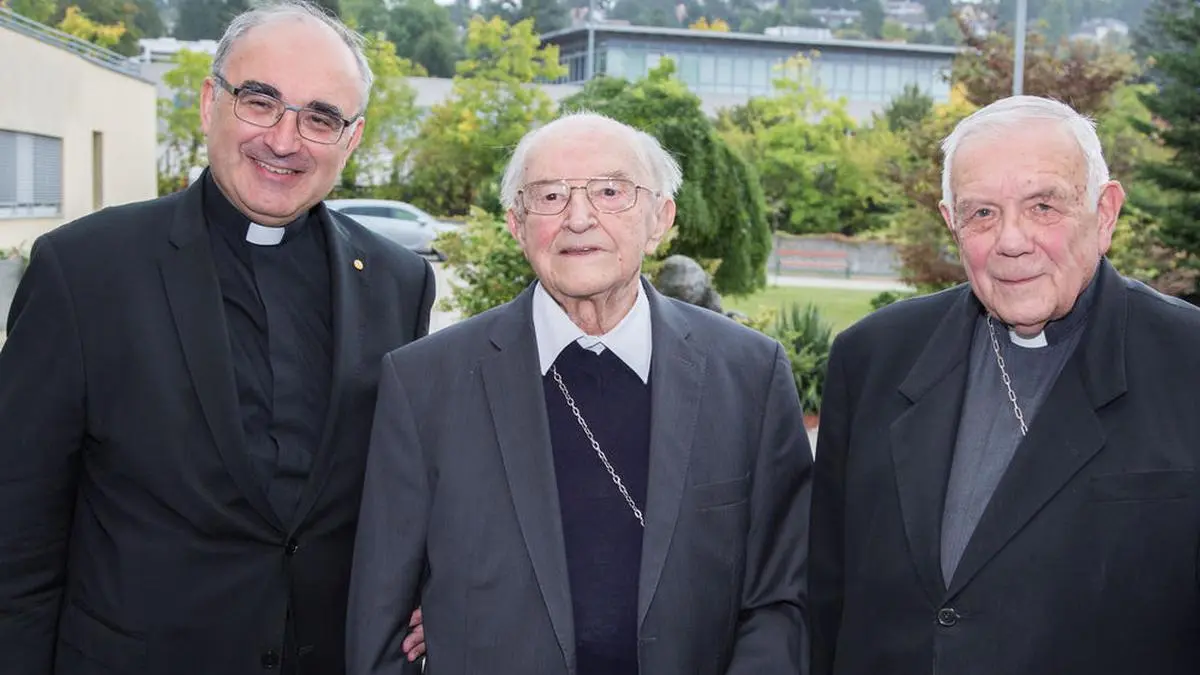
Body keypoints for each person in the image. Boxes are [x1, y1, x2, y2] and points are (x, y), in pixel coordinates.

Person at [0, 1, 433, 673]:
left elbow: (405, 486)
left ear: (351, 140)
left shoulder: (398, 281)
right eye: (260, 102)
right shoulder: (84, 271)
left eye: (321, 118)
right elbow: (16, 531)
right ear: (210, 102)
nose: (284, 141)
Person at [345, 112, 812, 675]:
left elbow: (781, 596)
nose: (579, 217)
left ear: (660, 219)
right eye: (550, 196)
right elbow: (381, 622)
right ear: (517, 225)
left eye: (611, 191)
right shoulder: (425, 383)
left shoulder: (749, 375)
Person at [810, 94, 1200, 675]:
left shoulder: (1188, 361)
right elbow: (825, 593)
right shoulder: (872, 357)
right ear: (952, 223)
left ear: (1105, 213)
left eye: (1043, 206)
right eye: (983, 214)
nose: (1011, 240)